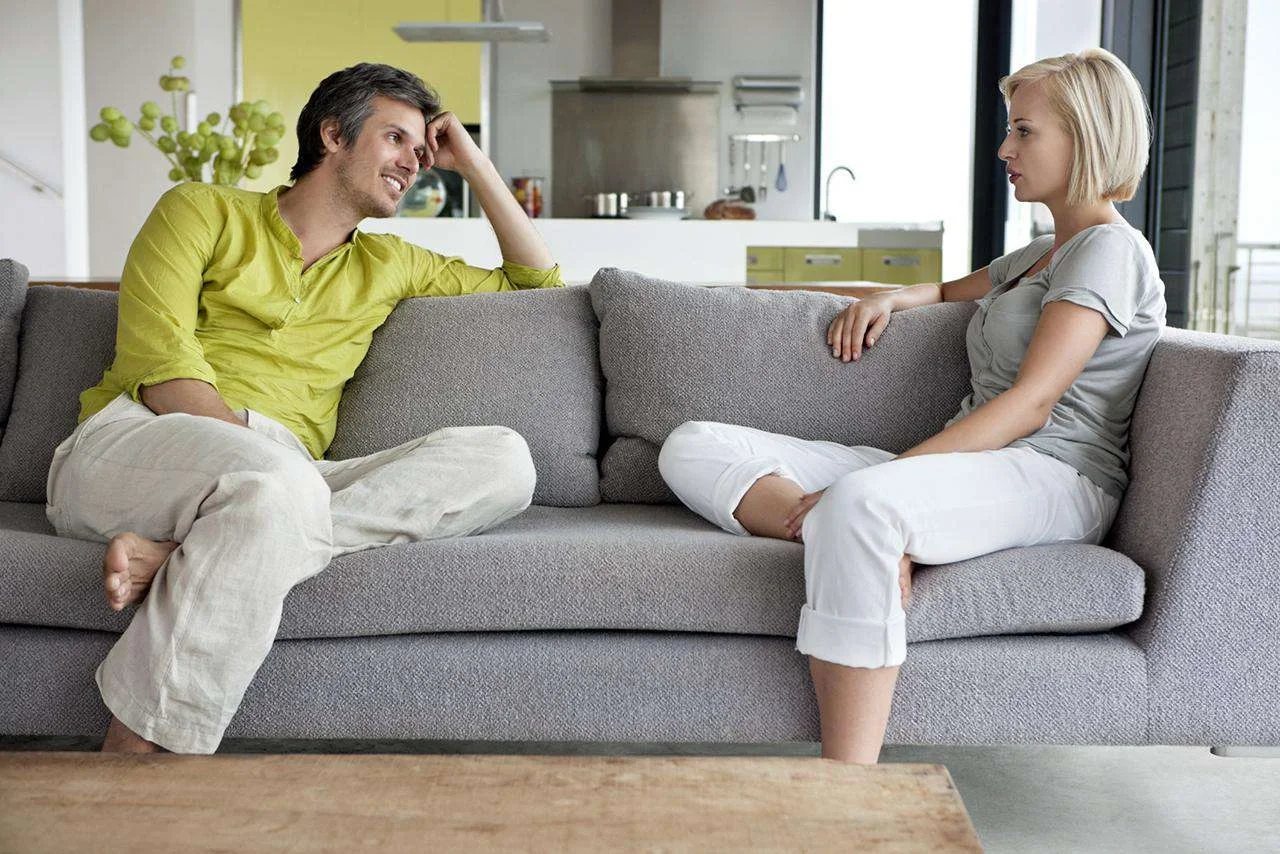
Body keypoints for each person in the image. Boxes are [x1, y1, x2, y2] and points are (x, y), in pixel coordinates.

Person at [658, 47, 1167, 764]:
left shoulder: (1110, 251)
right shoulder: (1040, 253)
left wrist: (874, 485)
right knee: (691, 442)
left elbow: (1031, 404)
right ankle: (849, 535)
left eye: (1025, 131)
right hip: (975, 463)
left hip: (1055, 474)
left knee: (863, 504)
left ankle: (847, 786)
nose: (1004, 149)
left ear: (1086, 138)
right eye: (1009, 129)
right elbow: (951, 291)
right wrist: (894, 296)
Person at [46, 63, 563, 754]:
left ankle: (191, 552)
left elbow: (537, 285)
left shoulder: (394, 264)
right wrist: (269, 475)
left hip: (280, 478)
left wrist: (473, 161)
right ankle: (135, 760)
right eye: (396, 138)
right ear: (331, 135)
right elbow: (160, 367)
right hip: (138, 444)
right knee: (275, 489)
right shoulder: (202, 209)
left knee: (504, 461)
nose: (415, 161)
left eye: (423, 147)